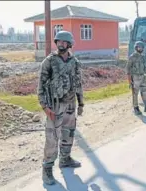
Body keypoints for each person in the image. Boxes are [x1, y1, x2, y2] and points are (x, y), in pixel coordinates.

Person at [37, 30, 84, 185]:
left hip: (70, 104)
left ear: (69, 44)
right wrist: (45, 107)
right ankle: (47, 170)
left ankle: (65, 159)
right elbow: (41, 87)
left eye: (64, 42)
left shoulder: (75, 62)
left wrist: (80, 103)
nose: (61, 45)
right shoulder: (49, 62)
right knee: (52, 138)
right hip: (54, 105)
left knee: (68, 133)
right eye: (59, 42)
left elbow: (78, 83)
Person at [126, 41, 146, 115]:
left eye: (141, 47)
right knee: (135, 93)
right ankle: (136, 108)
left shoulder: (143, 57)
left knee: (145, 92)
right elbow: (128, 70)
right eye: (139, 47)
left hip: (143, 77)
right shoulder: (132, 57)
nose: (140, 49)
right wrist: (129, 81)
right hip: (135, 78)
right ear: (136, 48)